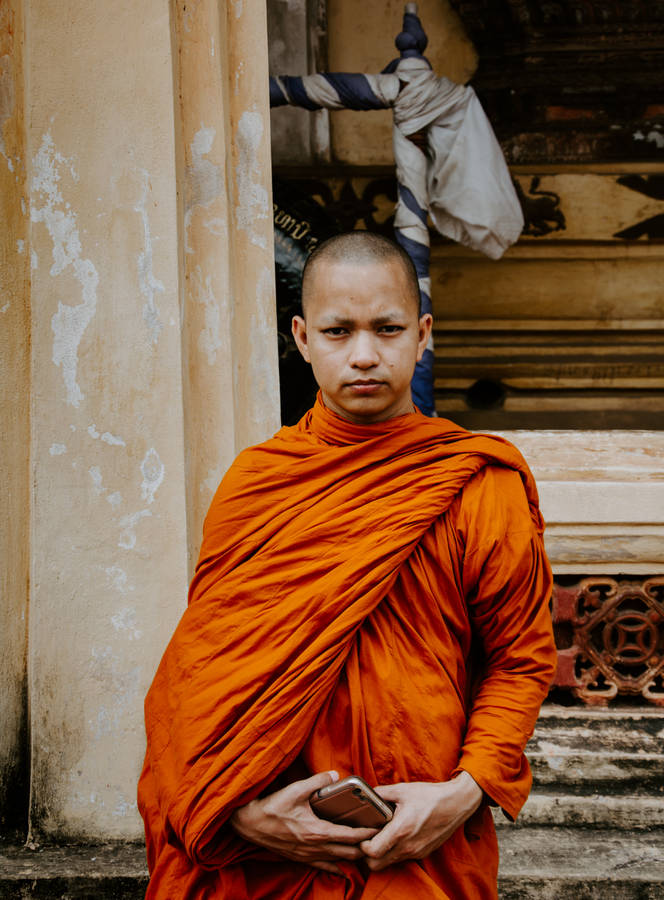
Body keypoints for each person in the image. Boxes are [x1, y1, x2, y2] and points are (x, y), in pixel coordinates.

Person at [138, 231, 557, 899]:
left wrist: (464, 791)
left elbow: (520, 659)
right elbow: (198, 677)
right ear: (303, 339)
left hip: (421, 845)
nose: (364, 355)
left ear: (422, 335)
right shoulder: (259, 483)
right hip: (265, 856)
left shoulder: (479, 484)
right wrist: (237, 813)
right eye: (338, 332)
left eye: (387, 329)